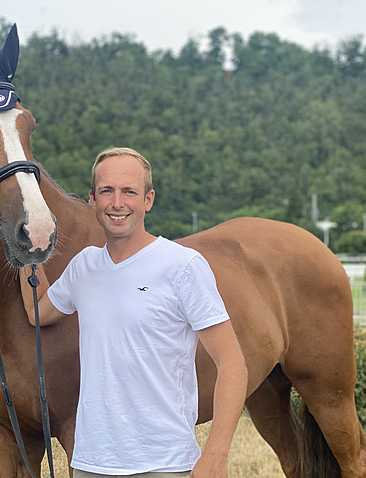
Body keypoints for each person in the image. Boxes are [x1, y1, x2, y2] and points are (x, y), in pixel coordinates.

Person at [21, 147, 248, 478]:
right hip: (91, 464)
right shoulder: (83, 266)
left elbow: (232, 363)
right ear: (93, 199)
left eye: (129, 191)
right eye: (106, 191)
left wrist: (215, 454)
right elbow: (37, 312)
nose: (117, 203)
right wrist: (24, 251)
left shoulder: (183, 266)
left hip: (166, 464)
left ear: (148, 200)